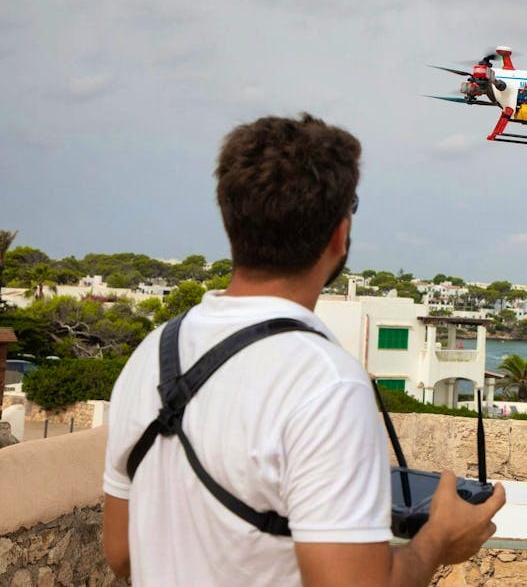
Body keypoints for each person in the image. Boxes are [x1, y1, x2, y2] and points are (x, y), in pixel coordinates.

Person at [102, 114, 505, 586]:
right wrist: (439, 539)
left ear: (232, 222)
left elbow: (122, 554)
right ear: (339, 234)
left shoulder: (151, 353)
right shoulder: (325, 382)